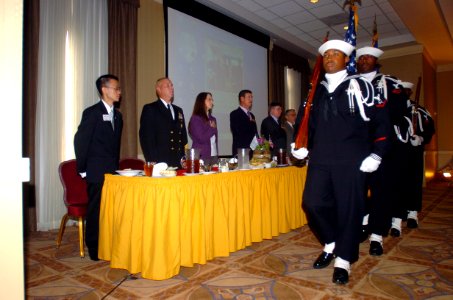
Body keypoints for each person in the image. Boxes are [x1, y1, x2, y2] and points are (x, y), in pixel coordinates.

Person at [291, 40, 391, 284]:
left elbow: (381, 121)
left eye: (336, 54)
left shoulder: (361, 86)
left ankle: (343, 259)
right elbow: (305, 122)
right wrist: (299, 144)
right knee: (312, 203)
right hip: (321, 158)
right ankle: (332, 240)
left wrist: (377, 153)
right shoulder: (316, 90)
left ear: (347, 60)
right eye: (326, 55)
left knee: (349, 209)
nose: (329, 58)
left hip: (351, 159)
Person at [355, 46, 410, 256]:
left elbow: (400, 112)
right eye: (361, 58)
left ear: (376, 61)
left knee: (380, 193)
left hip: (380, 147)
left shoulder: (389, 83)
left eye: (369, 57)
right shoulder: (350, 82)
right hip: (356, 147)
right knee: (357, 191)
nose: (364, 60)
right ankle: (362, 223)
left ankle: (377, 235)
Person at [74, 74, 123, 261]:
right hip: (94, 170)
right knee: (95, 211)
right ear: (104, 90)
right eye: (116, 88)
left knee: (110, 211)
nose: (119, 92)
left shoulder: (118, 116)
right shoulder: (92, 112)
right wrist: (83, 169)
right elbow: (80, 141)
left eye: (119, 89)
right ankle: (94, 248)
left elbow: (114, 146)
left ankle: (108, 244)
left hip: (112, 172)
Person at [399, 81, 435, 228]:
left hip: (414, 151)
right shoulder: (394, 109)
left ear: (410, 93)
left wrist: (420, 137)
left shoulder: (419, 110)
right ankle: (399, 213)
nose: (404, 94)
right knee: (399, 183)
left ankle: (413, 213)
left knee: (413, 181)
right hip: (398, 152)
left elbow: (429, 128)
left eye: (407, 91)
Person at [139, 77, 188, 168]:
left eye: (172, 85)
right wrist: (152, 161)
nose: (171, 88)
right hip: (160, 163)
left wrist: (184, 158)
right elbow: (146, 138)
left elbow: (183, 137)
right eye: (168, 86)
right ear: (158, 89)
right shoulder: (151, 109)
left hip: (178, 163)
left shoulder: (178, 110)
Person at [188, 92, 218, 165]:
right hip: (202, 156)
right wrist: (212, 129)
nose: (212, 102)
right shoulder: (196, 118)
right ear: (202, 101)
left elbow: (214, 140)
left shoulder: (213, 119)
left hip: (214, 155)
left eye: (212, 100)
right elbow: (201, 138)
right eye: (209, 99)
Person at [230, 89, 258, 156]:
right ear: (242, 99)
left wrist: (260, 143)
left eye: (252, 97)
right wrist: (250, 123)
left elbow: (255, 133)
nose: (251, 99)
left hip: (253, 151)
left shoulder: (252, 115)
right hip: (241, 151)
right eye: (249, 97)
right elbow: (238, 131)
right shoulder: (235, 114)